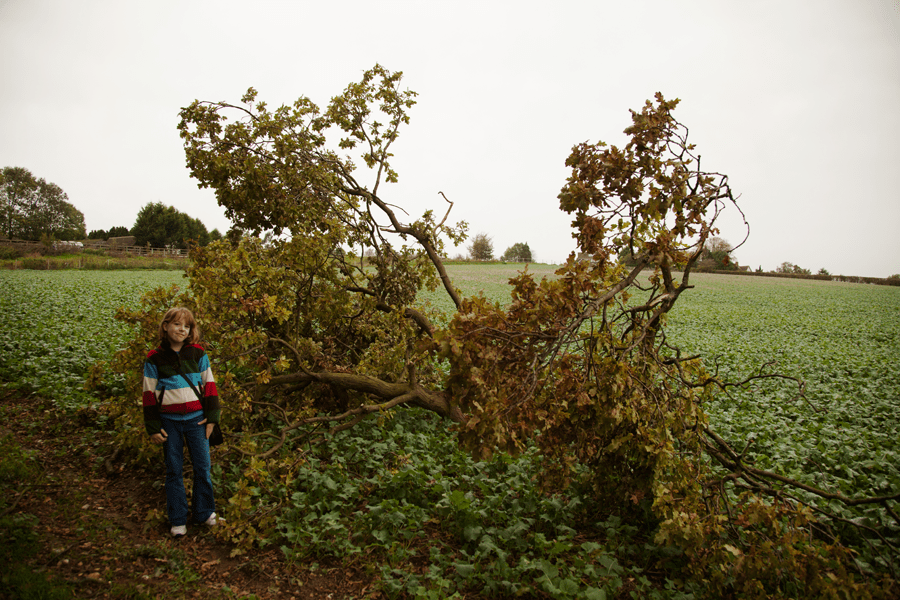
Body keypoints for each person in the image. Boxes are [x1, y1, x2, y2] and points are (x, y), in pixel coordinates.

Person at [142, 306, 222, 537]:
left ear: (191, 331)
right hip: (170, 422)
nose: (182, 329)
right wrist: (153, 427)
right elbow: (149, 394)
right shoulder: (154, 358)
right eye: (177, 324)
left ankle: (204, 513)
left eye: (187, 326)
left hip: (197, 421)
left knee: (203, 467)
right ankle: (177, 519)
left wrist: (212, 418)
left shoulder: (198, 354)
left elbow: (210, 386)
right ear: (165, 326)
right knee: (174, 470)